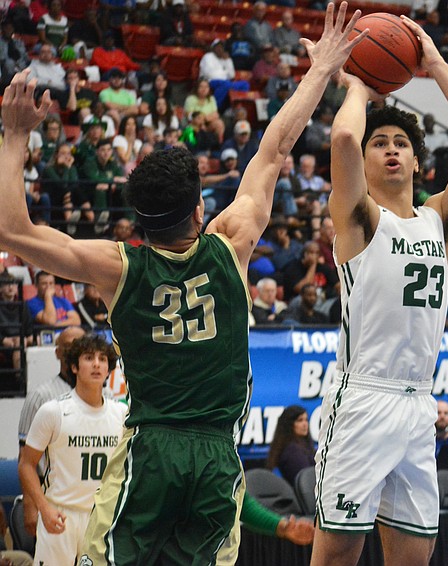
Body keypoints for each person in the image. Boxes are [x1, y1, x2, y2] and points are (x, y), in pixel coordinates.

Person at [0, 4, 363, 563]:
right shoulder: (231, 241)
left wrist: (14, 134)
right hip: (217, 455)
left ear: (140, 222)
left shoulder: (118, 266)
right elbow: (274, 150)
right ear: (199, 207)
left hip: (149, 451)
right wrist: (322, 71)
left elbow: (12, 230)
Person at [313, 11, 448, 564]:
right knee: (337, 556)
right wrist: (359, 86)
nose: (391, 149)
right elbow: (345, 133)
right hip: (362, 397)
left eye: (401, 143)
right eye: (380, 144)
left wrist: (436, 64)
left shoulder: (437, 219)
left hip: (420, 404)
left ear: (418, 159)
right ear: (366, 161)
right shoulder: (359, 217)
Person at [18, 333, 127, 566]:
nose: (97, 364)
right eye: (88, 358)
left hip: (101, 516)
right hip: (60, 515)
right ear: (75, 367)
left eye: (102, 359)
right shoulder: (53, 411)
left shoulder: (120, 414)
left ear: (109, 368)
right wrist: (43, 508)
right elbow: (26, 464)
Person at [265, 404, 315, 485]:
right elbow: (308, 480)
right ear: (289, 424)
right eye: (300, 420)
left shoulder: (304, 446)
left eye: (306, 420)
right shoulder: (292, 451)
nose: (305, 424)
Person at [0, 272, 34, 375]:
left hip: (20, 341)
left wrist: (25, 339)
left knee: (20, 343)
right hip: (3, 342)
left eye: (13, 284)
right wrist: (3, 340)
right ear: (0, 288)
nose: (11, 287)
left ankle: (20, 379)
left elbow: (29, 332)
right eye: (7, 284)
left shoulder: (23, 305)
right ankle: (20, 381)